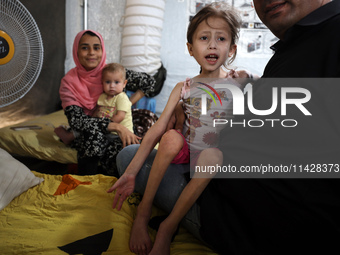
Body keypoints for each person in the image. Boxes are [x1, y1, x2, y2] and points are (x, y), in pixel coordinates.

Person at [107, 3, 256, 255]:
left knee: (213, 154)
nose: (212, 45)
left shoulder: (237, 80)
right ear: (190, 48)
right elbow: (155, 130)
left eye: (221, 39)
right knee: (169, 138)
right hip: (186, 153)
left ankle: (167, 227)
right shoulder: (183, 87)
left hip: (214, 161)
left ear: (231, 49)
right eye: (204, 38)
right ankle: (143, 212)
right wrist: (132, 172)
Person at [56, 30, 157, 176]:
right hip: (88, 131)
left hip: (114, 128)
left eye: (96, 48)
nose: (91, 53)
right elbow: (78, 121)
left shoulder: (110, 73)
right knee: (93, 137)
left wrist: (127, 103)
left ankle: (116, 187)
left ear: (102, 50)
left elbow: (149, 82)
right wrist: (115, 126)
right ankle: (87, 184)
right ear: (76, 51)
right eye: (85, 47)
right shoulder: (69, 83)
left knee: (128, 149)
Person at [56, 62, 133, 145]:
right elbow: (98, 111)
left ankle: (71, 137)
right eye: (108, 82)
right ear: (102, 82)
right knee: (89, 131)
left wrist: (106, 125)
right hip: (105, 130)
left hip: (119, 134)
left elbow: (120, 116)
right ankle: (70, 136)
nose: (112, 86)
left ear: (124, 84)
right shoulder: (102, 97)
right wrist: (93, 121)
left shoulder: (121, 97)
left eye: (116, 82)